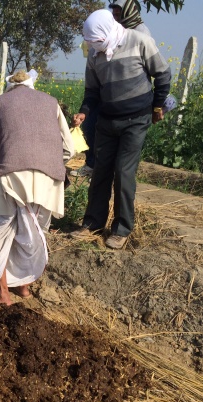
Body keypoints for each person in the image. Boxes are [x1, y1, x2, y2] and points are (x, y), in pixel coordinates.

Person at [0, 71, 74, 306]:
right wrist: (46, 162)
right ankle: (24, 288)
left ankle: (1, 293)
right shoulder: (52, 103)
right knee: (32, 232)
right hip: (49, 181)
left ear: (9, 87)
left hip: (12, 178)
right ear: (31, 85)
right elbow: (69, 149)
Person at [71, 9, 171, 249]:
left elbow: (163, 74)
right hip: (106, 121)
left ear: (108, 30)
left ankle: (121, 228)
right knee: (100, 171)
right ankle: (92, 223)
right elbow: (92, 90)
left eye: (98, 41)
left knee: (124, 173)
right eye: (93, 43)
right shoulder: (95, 54)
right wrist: (84, 111)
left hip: (136, 120)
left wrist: (157, 105)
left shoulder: (140, 41)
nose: (97, 46)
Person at [70, 0, 152, 179]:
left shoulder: (140, 34)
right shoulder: (107, 36)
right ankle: (93, 164)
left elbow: (155, 69)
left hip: (130, 103)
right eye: (113, 15)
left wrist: (158, 103)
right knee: (91, 126)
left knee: (123, 162)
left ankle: (113, 171)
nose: (115, 19)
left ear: (128, 13)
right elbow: (92, 84)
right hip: (104, 91)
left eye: (118, 15)